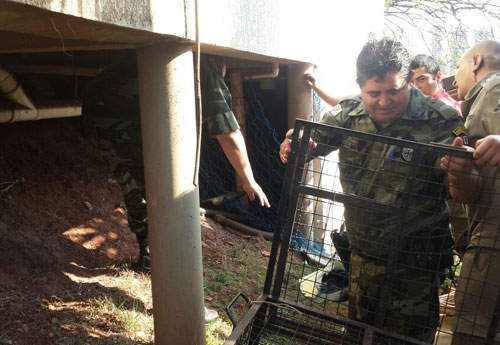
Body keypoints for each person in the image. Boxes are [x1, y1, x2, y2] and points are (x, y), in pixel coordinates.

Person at [280, 38, 464, 342]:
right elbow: (311, 144)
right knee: (359, 337)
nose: (383, 101)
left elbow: (465, 193)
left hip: (413, 267)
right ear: (359, 84)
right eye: (373, 93)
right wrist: (296, 145)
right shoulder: (350, 113)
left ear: (408, 81)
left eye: (394, 91)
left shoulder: (441, 121)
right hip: (361, 261)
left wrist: (461, 173)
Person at [85, 54, 270, 273]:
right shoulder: (206, 67)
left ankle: (150, 254)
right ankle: (158, 259)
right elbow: (227, 132)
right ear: (221, 66)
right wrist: (249, 180)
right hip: (124, 118)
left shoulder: (179, 57)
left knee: (134, 182)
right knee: (156, 187)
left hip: (93, 113)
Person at [440, 39, 500, 345]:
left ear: (476, 62)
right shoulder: (471, 106)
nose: (455, 78)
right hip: (482, 240)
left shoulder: (494, 88)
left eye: (459, 67)